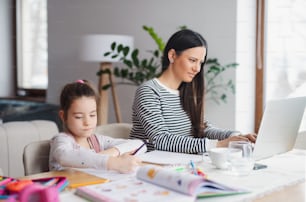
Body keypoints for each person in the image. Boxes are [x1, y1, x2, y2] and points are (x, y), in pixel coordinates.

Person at [130, 29, 256, 153]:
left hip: (184, 163)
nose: (197, 69)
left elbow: (203, 128)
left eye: (200, 62)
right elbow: (161, 140)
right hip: (151, 166)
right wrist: (219, 144)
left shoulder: (187, 92)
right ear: (172, 56)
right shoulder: (149, 91)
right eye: (192, 60)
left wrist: (236, 137)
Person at [49, 80, 146, 173]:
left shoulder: (97, 140)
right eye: (79, 117)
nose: (87, 122)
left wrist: (109, 153)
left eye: (92, 115)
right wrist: (113, 162)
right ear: (63, 116)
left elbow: (140, 144)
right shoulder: (61, 140)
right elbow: (64, 156)